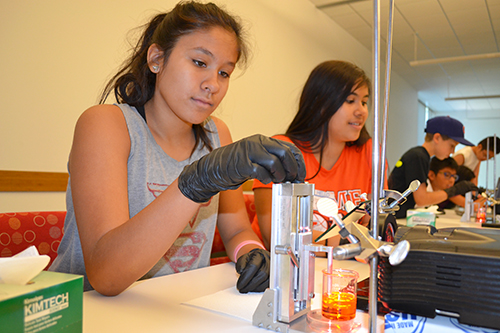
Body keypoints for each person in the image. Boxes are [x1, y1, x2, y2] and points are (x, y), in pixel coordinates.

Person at [49, 1, 305, 296]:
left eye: (225, 73)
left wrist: (251, 252)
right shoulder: (107, 124)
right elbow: (105, 277)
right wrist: (198, 182)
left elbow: (235, 229)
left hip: (175, 307)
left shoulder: (217, 133)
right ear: (157, 58)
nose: (213, 84)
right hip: (85, 310)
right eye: (199, 63)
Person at [252, 60, 386, 250]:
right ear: (321, 103)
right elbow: (277, 235)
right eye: (350, 101)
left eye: (364, 102)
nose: (362, 111)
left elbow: (375, 228)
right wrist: (349, 240)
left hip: (345, 269)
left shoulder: (370, 153)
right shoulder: (280, 151)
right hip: (283, 271)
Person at [388, 116, 479, 218]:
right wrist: (454, 190)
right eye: (452, 146)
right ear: (437, 138)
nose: (453, 151)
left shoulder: (421, 156)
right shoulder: (418, 157)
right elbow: (422, 199)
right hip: (395, 217)